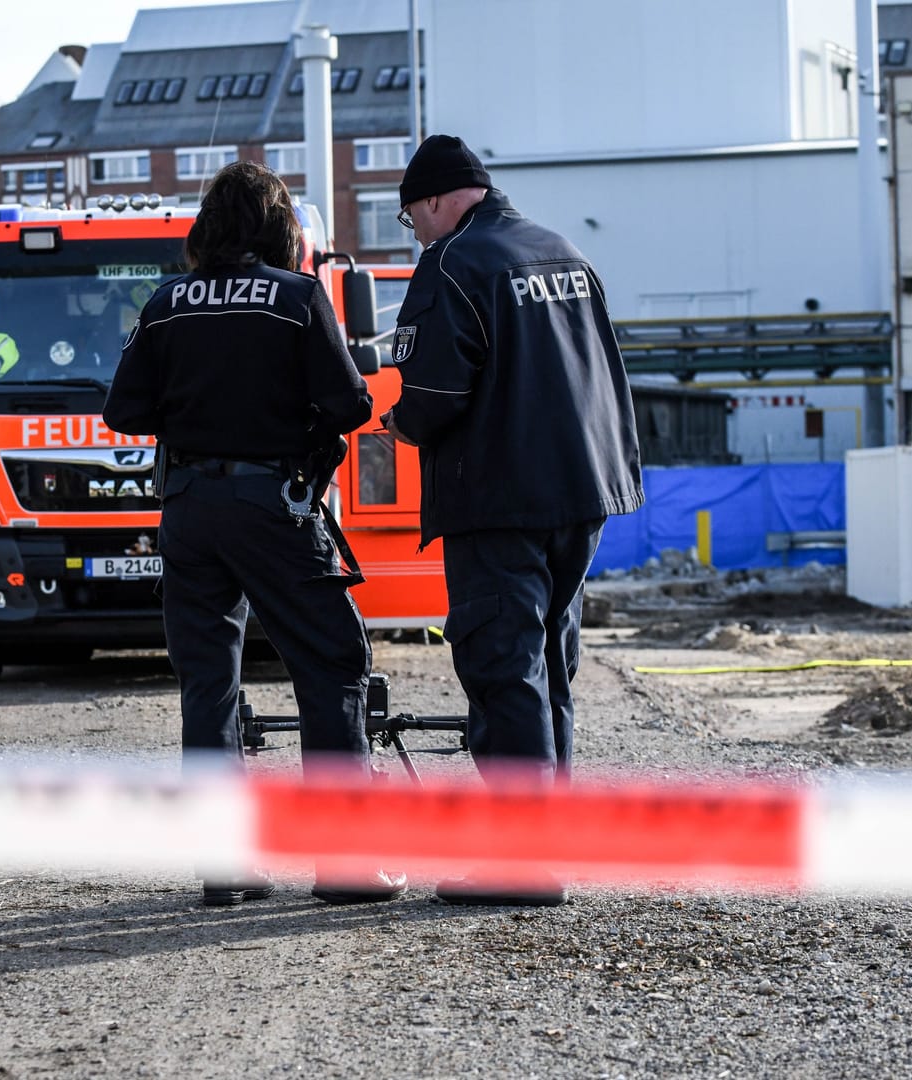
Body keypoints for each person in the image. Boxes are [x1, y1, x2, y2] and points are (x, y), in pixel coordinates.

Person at [104, 160, 404, 908]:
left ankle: (226, 865)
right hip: (275, 506)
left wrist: (194, 409)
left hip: (189, 511)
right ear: (281, 230)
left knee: (209, 682)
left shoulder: (169, 301)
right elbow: (347, 406)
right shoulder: (298, 297)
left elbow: (123, 410)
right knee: (331, 664)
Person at [380, 134, 644, 906]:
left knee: (503, 671)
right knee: (549, 669)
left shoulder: (454, 264)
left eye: (411, 219)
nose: (417, 234)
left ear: (433, 200)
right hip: (583, 492)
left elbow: (432, 394)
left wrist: (400, 424)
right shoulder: (563, 252)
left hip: (499, 498)